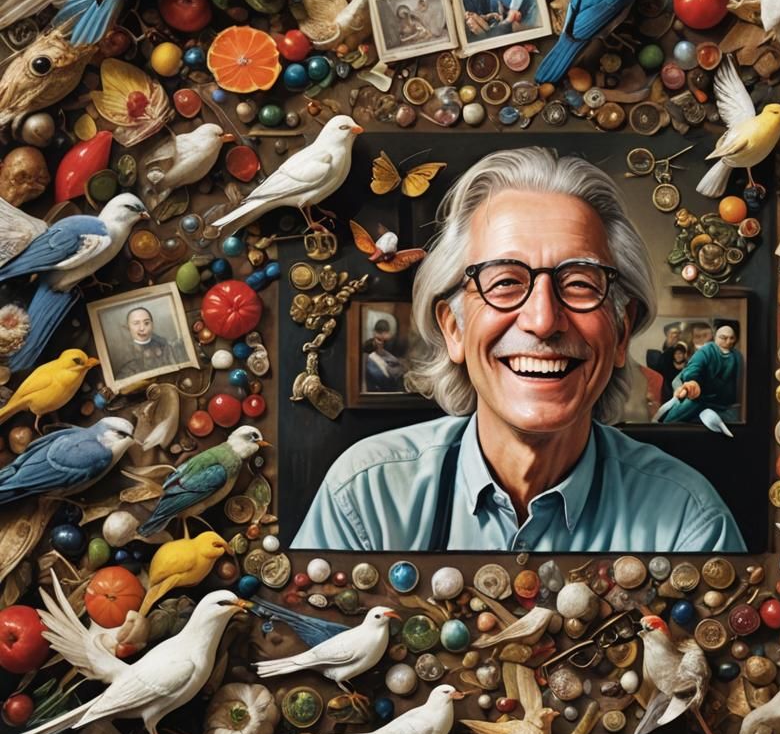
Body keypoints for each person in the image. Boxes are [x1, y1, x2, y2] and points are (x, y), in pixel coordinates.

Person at [293, 147, 745, 552]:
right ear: (453, 329)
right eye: (505, 282)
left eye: (580, 283)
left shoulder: (691, 522)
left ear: (622, 333)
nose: (544, 320)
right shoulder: (365, 498)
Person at [656, 320, 742, 428]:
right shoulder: (687, 353)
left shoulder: (725, 354)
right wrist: (683, 389)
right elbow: (679, 379)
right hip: (690, 395)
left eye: (705, 336)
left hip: (716, 403)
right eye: (698, 336)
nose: (703, 340)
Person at [113, 306, 188, 380]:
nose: (142, 328)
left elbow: (178, 370)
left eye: (146, 323)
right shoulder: (125, 354)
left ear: (152, 325)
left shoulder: (165, 346)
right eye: (136, 323)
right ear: (128, 327)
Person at [363, 317, 406, 392]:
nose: (381, 343)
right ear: (374, 335)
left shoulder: (395, 344)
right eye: (379, 339)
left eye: (385, 341)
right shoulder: (370, 346)